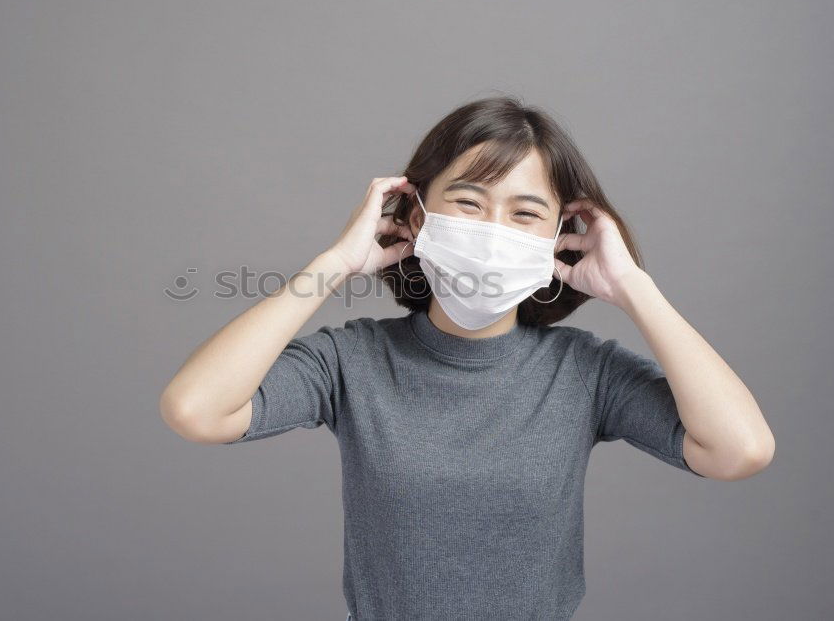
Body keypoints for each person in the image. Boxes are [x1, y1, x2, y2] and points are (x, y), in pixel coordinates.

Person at [160, 95, 775, 620]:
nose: (492, 228)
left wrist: (633, 287)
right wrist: (335, 264)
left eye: (525, 212)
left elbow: (738, 450)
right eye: (468, 202)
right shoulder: (350, 361)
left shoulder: (586, 373)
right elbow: (196, 410)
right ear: (415, 212)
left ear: (561, 235)